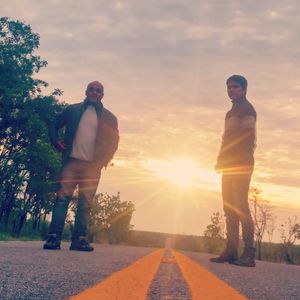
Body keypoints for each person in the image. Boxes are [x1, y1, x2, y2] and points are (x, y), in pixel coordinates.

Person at [43, 81, 119, 251]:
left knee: (85, 203)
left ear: (102, 95)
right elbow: (54, 124)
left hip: (93, 167)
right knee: (62, 200)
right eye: (91, 89)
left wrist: (103, 162)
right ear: (86, 92)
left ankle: (79, 240)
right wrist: (56, 141)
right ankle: (54, 238)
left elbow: (114, 142)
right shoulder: (72, 110)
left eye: (98, 90)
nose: (94, 92)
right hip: (71, 163)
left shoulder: (110, 118)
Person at [210, 75, 256, 267]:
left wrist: (236, 161)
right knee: (229, 208)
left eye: (235, 87)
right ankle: (231, 250)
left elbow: (247, 138)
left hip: (242, 164)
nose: (231, 90)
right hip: (228, 165)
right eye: (229, 87)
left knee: (241, 207)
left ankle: (248, 254)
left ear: (244, 89)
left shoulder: (247, 109)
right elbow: (226, 139)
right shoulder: (231, 113)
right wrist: (221, 160)